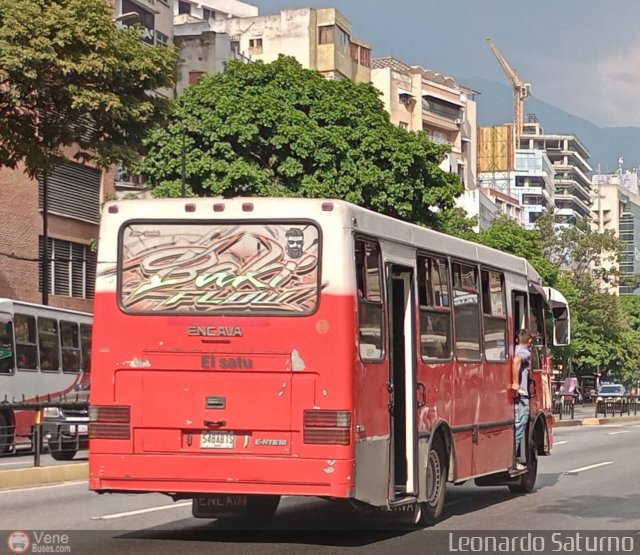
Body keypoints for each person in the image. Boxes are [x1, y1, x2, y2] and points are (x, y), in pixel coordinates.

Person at [512, 328, 533, 471]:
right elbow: (517, 361)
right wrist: (516, 383)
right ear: (529, 341)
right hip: (522, 395)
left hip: (515, 396)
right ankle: (513, 460)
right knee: (519, 426)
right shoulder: (525, 352)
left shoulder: (512, 349)